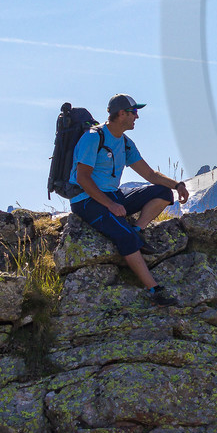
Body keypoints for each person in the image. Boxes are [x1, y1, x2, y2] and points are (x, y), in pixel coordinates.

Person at [70, 94, 189, 306]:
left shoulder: (125, 143)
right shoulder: (93, 137)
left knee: (163, 193)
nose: (137, 117)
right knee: (123, 236)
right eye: (134, 113)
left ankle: (137, 230)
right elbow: (82, 178)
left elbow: (151, 175)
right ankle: (154, 289)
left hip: (112, 196)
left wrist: (177, 185)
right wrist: (110, 205)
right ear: (122, 114)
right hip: (86, 198)